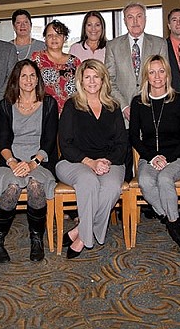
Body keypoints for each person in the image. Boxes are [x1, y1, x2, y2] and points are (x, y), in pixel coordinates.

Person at [56, 59, 129, 259]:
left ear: (103, 79)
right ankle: (85, 238)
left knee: (112, 187)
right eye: (87, 77)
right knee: (88, 181)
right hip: (75, 162)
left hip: (110, 162)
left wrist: (105, 162)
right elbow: (66, 144)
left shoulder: (113, 106)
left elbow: (122, 144)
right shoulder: (72, 105)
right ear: (80, 80)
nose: (92, 81)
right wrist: (90, 162)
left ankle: (80, 232)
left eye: (96, 76)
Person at [0, 60, 59, 263]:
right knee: (12, 187)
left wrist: (31, 163)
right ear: (16, 80)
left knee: (35, 186)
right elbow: (2, 141)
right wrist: (12, 162)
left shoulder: (49, 104)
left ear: (37, 78)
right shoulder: (5, 105)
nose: (28, 80)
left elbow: (49, 140)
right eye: (23, 76)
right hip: (8, 161)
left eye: (32, 75)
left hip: (39, 161)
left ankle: (36, 239)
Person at [129, 55, 180, 252]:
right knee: (146, 182)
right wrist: (152, 157)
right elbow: (134, 137)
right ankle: (173, 221)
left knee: (165, 178)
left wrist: (168, 157)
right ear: (146, 76)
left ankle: (174, 226)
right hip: (150, 157)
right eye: (152, 72)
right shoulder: (138, 102)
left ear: (168, 74)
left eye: (161, 71)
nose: (157, 76)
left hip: (179, 157)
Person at [105, 2, 168, 121]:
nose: (135, 21)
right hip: (123, 115)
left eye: (139, 16)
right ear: (124, 21)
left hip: (153, 112)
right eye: (130, 17)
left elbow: (165, 78)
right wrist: (124, 107)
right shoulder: (112, 46)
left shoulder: (160, 44)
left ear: (145, 19)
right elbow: (109, 80)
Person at [30, 20, 81, 112]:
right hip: (44, 111)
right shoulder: (36, 59)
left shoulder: (75, 61)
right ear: (45, 39)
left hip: (71, 112)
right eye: (50, 35)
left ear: (64, 38)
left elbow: (81, 88)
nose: (54, 38)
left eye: (58, 35)